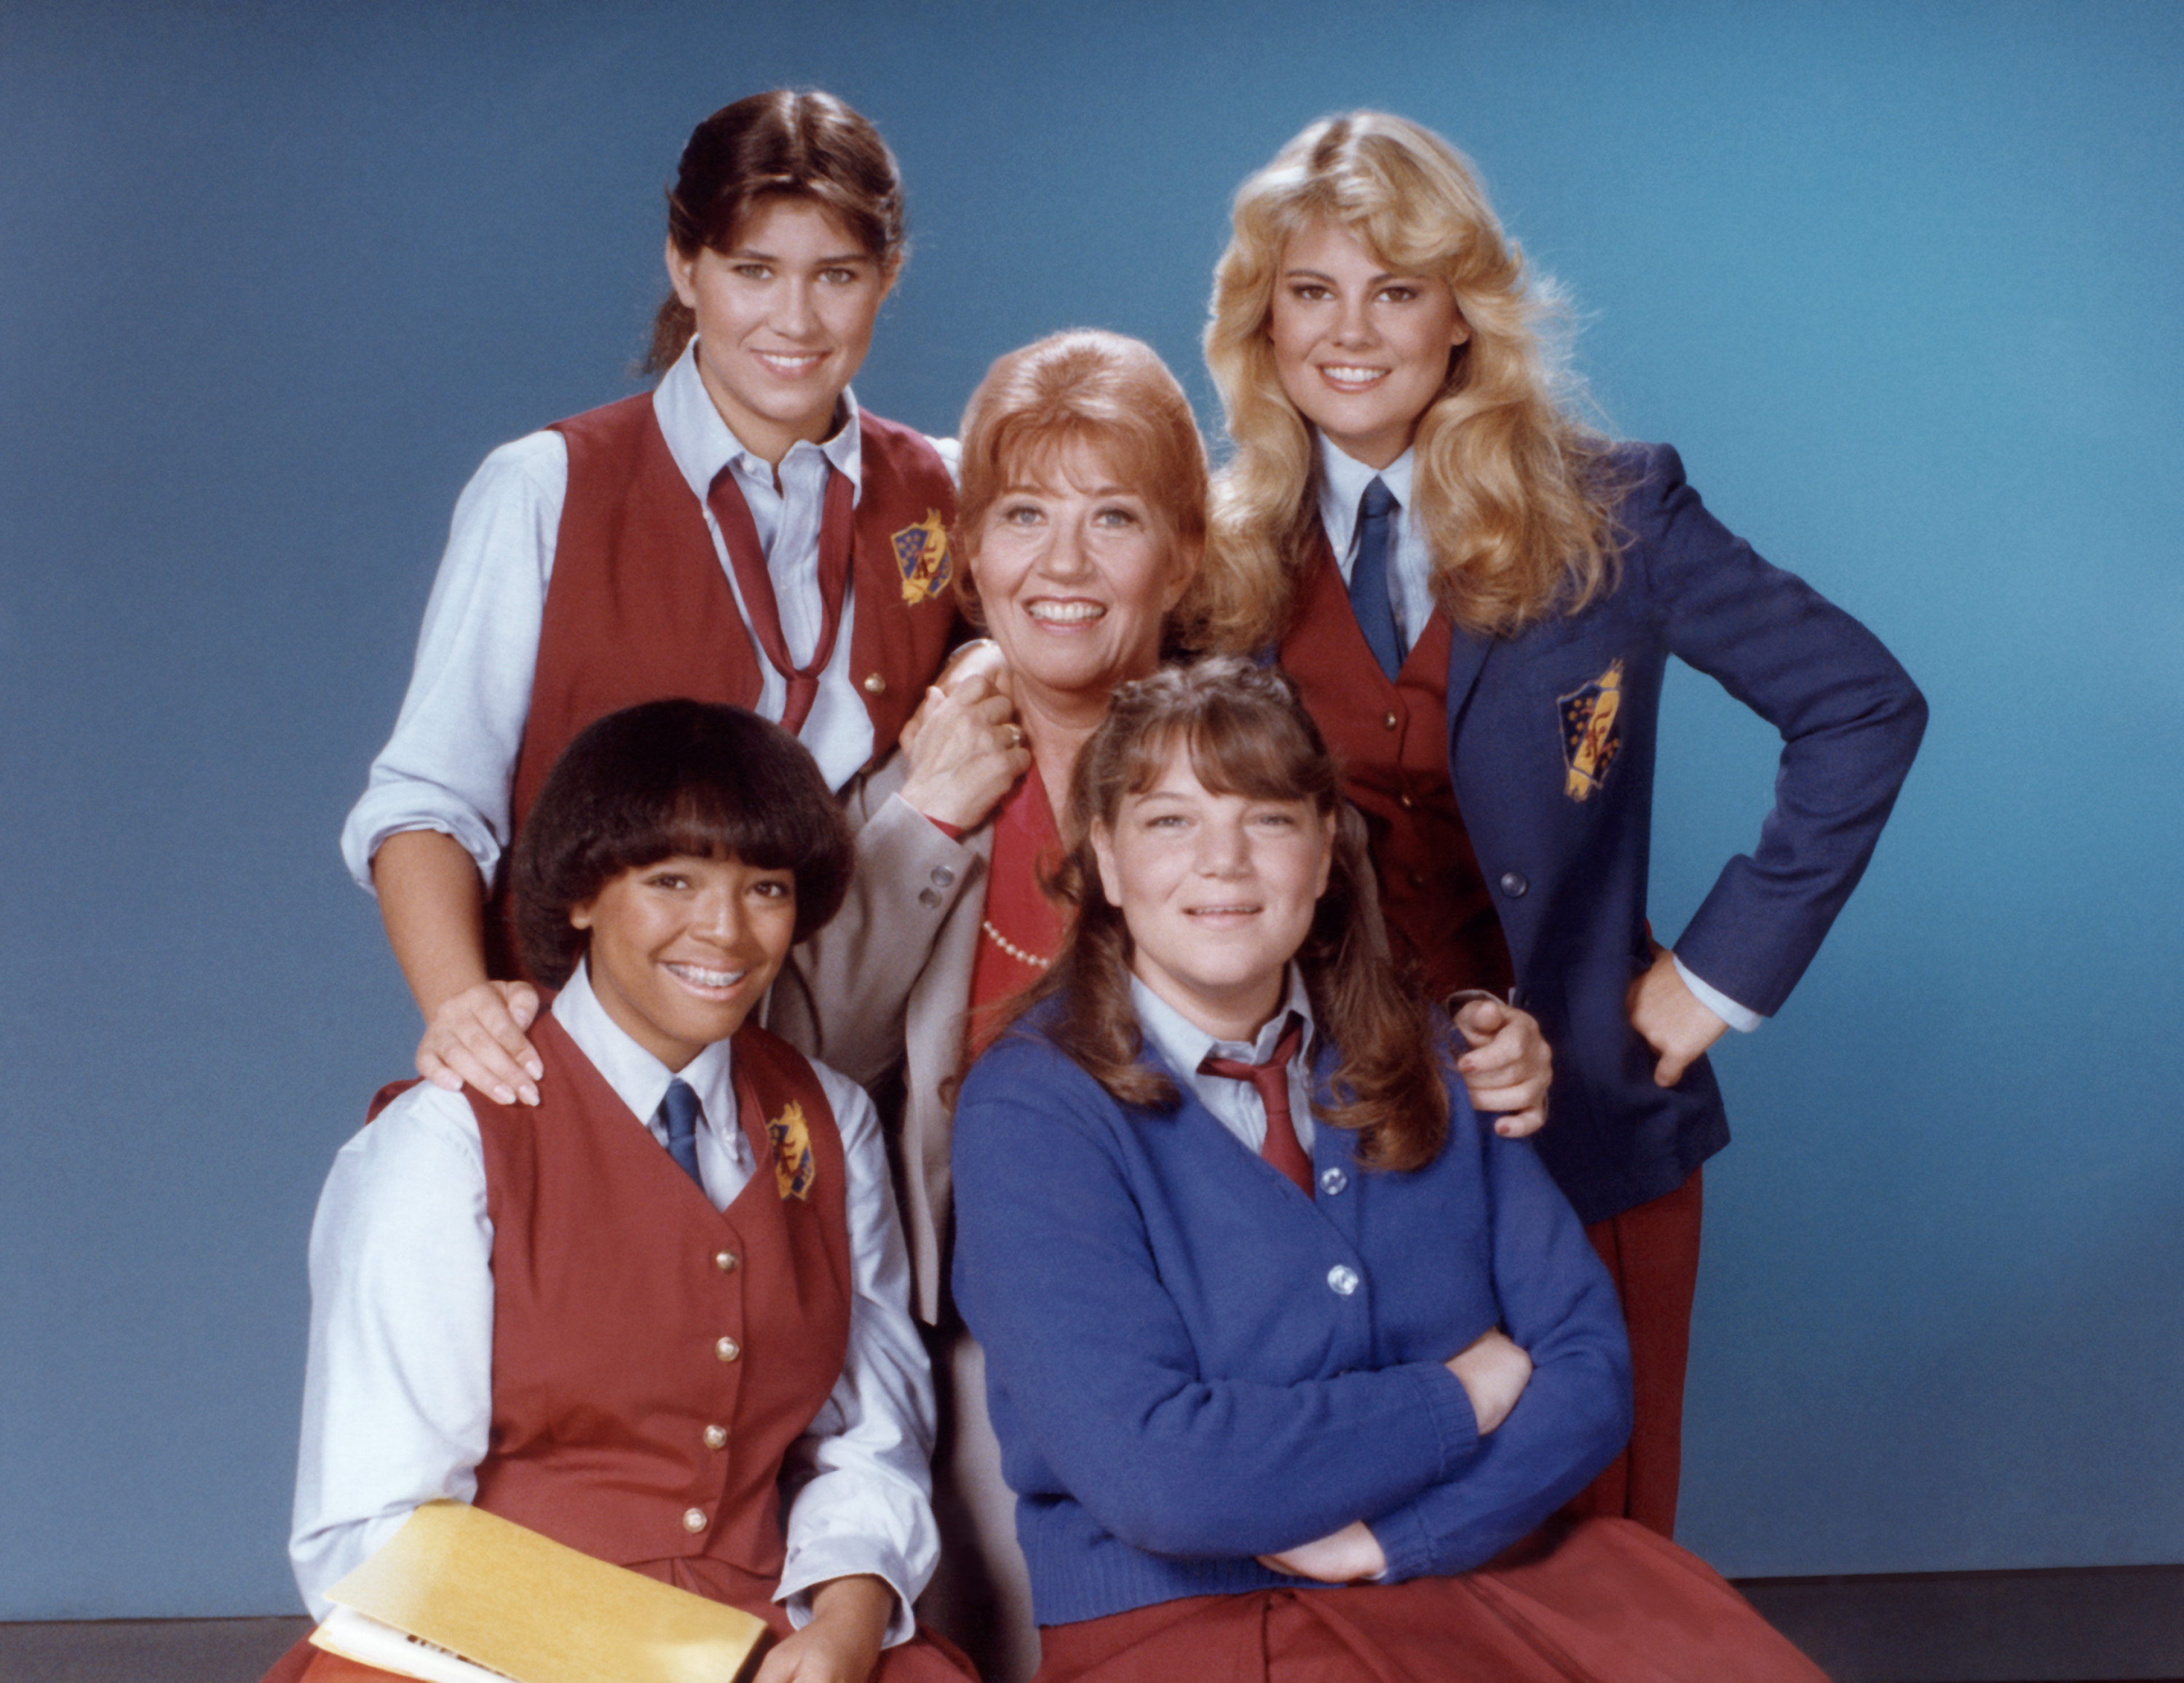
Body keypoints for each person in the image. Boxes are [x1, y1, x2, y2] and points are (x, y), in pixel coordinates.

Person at [765, 332, 1548, 1682]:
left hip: (1275, 1333)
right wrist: (928, 820)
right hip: (983, 1343)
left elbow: (1387, 978)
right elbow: (784, 1059)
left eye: (1112, 519)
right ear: (970, 551)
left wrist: (1492, 1028)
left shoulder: (1256, 756)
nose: (1060, 568)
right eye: (1023, 517)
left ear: (1182, 557)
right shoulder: (899, 774)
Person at [1195, 111, 1928, 1534]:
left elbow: (1862, 706)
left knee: (1600, 1552)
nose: (1353, 333)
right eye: (1313, 290)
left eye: (1397, 291)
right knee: (1390, 1563)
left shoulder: (1612, 510)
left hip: (1591, 1129)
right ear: (1263, 317)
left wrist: (1704, 985)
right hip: (1327, 1160)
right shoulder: (1208, 548)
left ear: (1461, 318)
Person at [949, 658, 1829, 1682]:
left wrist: (1393, 1544)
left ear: (1325, 853)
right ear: (1105, 860)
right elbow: (1164, 1478)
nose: (1223, 862)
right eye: (1170, 823)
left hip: (1489, 1566)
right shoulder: (1032, 1112)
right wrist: (1460, 1395)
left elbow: (1589, 1372)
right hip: (1192, 1624)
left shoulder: (1432, 1054)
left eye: (1270, 819)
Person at [272, 700, 976, 1683]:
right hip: (486, 1640)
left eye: (765, 887)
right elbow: (370, 1530)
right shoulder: (444, 1141)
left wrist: (846, 1628)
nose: (725, 932)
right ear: (581, 897)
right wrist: (659, 1663)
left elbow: (868, 1441)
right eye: (672, 881)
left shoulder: (833, 1124)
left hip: (767, 1630)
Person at [341, 90, 967, 1117]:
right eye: (753, 272)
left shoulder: (944, 492)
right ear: (686, 267)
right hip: (592, 1075)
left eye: (838, 276)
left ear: (888, 279)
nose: (796, 320)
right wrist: (464, 1011)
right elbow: (427, 804)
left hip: (844, 1095)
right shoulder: (547, 488)